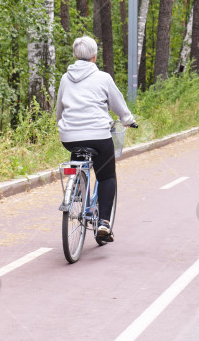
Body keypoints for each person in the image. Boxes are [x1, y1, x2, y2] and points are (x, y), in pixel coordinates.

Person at [55, 36, 136, 242]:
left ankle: (78, 190)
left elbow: (59, 111)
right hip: (99, 136)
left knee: (78, 152)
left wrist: (63, 125)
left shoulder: (65, 78)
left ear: (75, 55)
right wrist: (127, 119)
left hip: (69, 137)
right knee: (106, 175)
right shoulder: (103, 78)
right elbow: (118, 105)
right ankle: (104, 223)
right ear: (94, 56)